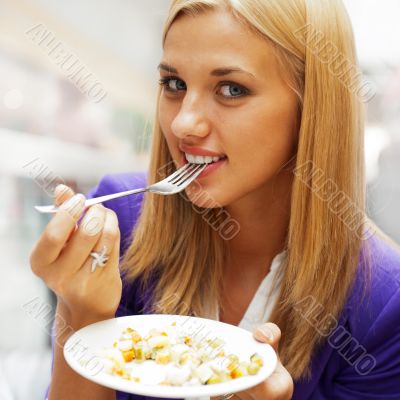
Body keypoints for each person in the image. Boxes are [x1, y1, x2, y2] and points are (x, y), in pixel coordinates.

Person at [30, 0, 400, 399]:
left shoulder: (383, 304)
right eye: (174, 84)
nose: (182, 123)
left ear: (312, 108)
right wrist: (81, 312)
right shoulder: (118, 222)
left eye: (231, 89)